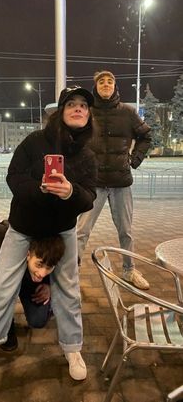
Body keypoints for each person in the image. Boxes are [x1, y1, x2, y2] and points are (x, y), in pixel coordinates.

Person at [0, 85, 97, 387]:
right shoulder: (34, 141)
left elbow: (90, 196)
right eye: (72, 105)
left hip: (63, 230)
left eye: (83, 106)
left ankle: (73, 349)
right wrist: (39, 189)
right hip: (23, 228)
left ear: (89, 115)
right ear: (60, 112)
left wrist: (70, 192)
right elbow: (14, 176)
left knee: (69, 291)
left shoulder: (88, 155)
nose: (78, 109)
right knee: (2, 287)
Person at [77, 70, 152, 290]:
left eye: (110, 81)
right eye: (102, 82)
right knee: (81, 232)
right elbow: (73, 137)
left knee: (126, 231)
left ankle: (129, 271)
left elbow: (146, 136)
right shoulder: (87, 112)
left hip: (121, 184)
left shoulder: (128, 112)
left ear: (115, 86)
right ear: (96, 87)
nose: (106, 84)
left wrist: (135, 159)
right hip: (94, 184)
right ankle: (71, 273)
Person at [0, 212, 65, 351]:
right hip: (7, 264)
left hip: (31, 284)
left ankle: (47, 307)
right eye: (39, 264)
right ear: (28, 254)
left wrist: (49, 286)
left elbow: (72, 269)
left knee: (38, 321)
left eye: (49, 267)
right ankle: (6, 327)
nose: (42, 273)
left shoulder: (58, 250)